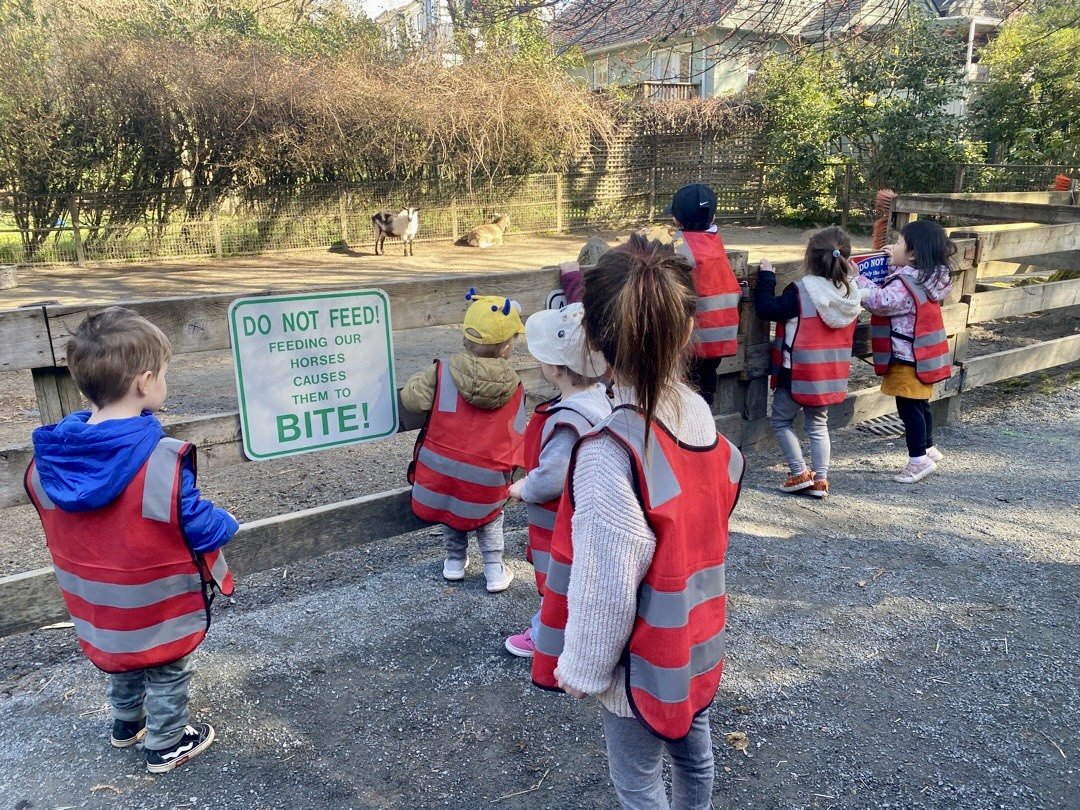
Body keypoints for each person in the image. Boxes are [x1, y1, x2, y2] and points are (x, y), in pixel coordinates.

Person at [531, 235, 743, 809]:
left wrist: (580, 666)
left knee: (637, 778)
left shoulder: (608, 453)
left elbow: (607, 583)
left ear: (594, 343)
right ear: (684, 331)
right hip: (697, 638)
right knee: (692, 747)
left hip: (639, 664)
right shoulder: (698, 414)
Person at [25, 307, 238, 773]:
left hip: (98, 607)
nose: (165, 382)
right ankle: (165, 742)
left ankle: (126, 723)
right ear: (144, 382)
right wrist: (228, 522)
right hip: (154, 602)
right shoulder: (160, 459)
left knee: (125, 657)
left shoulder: (51, 462)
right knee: (167, 665)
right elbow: (198, 525)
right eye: (163, 374)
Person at [503, 303, 611, 658]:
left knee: (560, 583)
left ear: (555, 369)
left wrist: (524, 487)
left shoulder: (569, 419)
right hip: (588, 517)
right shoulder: (601, 401)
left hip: (562, 522)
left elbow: (554, 475)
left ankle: (546, 636)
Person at [403, 290, 526, 592]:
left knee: (453, 504)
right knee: (490, 513)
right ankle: (495, 569)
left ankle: (455, 562)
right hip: (485, 486)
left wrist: (423, 380)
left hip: (438, 479)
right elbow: (519, 437)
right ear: (507, 348)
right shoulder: (516, 387)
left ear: (464, 337)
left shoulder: (441, 373)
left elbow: (411, 399)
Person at [755, 226, 861, 498]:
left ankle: (799, 472)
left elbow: (767, 309)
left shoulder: (801, 292)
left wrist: (766, 277)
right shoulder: (850, 293)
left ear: (809, 259)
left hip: (797, 372)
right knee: (818, 426)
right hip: (828, 375)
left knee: (780, 420)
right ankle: (820, 480)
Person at [856, 220, 954, 483]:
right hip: (921, 355)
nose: (893, 246)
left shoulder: (905, 282)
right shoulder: (931, 276)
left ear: (913, 254)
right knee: (921, 403)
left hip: (905, 354)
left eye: (899, 243)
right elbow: (902, 286)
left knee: (908, 407)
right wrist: (894, 263)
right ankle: (929, 448)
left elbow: (880, 302)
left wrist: (857, 279)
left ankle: (917, 460)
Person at [668, 183, 742, 407]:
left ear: (676, 220)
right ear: (713, 218)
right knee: (705, 389)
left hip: (691, 339)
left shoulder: (679, 247)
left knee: (682, 392)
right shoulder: (714, 242)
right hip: (719, 338)